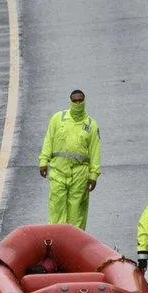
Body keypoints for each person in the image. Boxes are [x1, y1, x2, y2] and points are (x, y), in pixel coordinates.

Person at [38, 89, 102, 230]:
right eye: (75, 100)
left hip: (80, 174)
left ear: (84, 101)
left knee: (76, 212)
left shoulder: (91, 125)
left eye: (80, 100)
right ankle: (57, 243)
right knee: (57, 208)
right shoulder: (57, 119)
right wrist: (43, 161)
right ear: (70, 101)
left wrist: (94, 175)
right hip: (58, 171)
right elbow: (48, 140)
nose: (78, 103)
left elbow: (95, 151)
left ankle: (74, 244)